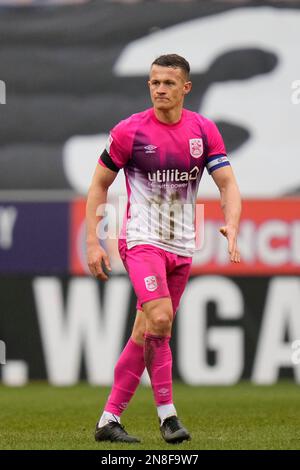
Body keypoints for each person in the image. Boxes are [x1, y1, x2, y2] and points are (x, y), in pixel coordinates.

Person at [86, 54, 241, 444]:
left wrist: (233, 222)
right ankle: (168, 416)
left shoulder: (203, 131)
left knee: (146, 330)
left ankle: (109, 420)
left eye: (168, 83)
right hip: (141, 240)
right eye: (154, 82)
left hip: (182, 244)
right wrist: (94, 239)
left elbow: (227, 184)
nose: (159, 89)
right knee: (160, 319)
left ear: (186, 88)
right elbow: (99, 184)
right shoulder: (129, 132)